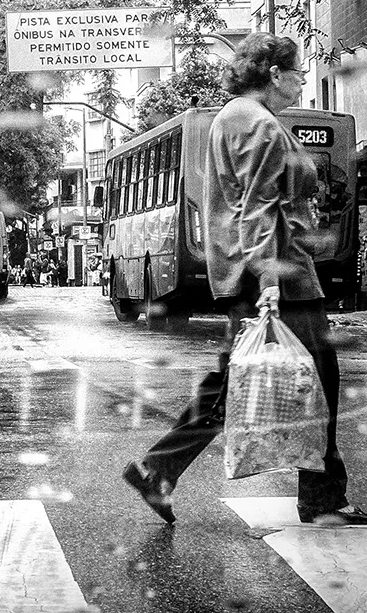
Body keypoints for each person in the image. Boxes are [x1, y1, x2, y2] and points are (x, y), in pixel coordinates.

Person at [122, 32, 367, 526]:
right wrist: (269, 278)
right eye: (298, 72)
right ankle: (322, 498)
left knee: (236, 382)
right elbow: (256, 207)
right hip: (277, 277)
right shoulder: (258, 124)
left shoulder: (234, 116)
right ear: (274, 74)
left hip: (255, 271)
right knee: (316, 382)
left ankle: (158, 470)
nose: (302, 81)